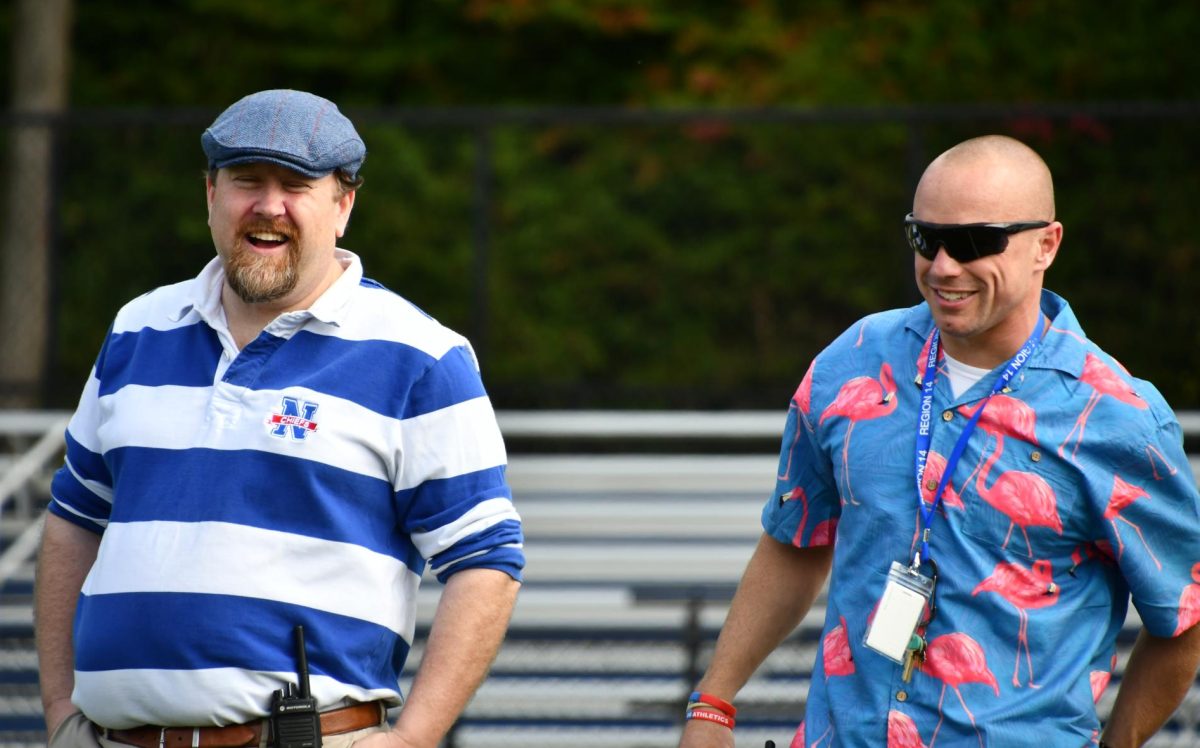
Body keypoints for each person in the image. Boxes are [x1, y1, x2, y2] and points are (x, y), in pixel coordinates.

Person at [36, 89, 524, 748]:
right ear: (210, 194)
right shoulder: (138, 327)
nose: (269, 206)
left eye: (296, 185)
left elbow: (485, 559)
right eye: (246, 182)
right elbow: (74, 522)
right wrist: (62, 711)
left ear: (343, 205)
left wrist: (414, 737)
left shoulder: (422, 356)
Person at [678, 135, 1200, 748]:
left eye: (977, 241)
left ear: (1046, 245)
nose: (945, 265)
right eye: (926, 239)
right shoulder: (852, 362)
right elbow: (795, 540)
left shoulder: (1118, 418)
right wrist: (713, 702)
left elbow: (1184, 621)